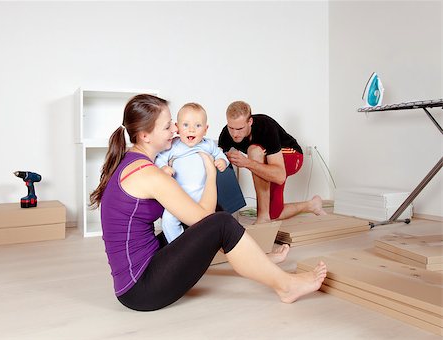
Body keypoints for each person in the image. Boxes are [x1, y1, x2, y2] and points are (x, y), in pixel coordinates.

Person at [90, 94, 327, 311]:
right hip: (140, 288)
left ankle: (259, 261)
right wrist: (211, 174)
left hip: (141, 271)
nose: (175, 129)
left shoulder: (134, 161)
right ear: (145, 136)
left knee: (208, 220)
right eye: (167, 126)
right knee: (221, 222)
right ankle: (286, 286)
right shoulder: (149, 174)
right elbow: (203, 218)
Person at [218, 100, 327, 224]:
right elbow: (217, 156)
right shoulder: (226, 133)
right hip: (268, 161)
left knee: (254, 151)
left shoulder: (265, 126)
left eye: (239, 128)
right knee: (275, 214)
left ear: (250, 122)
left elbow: (280, 176)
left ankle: (262, 217)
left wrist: (246, 163)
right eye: (231, 128)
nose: (235, 134)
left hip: (292, 156)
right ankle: (312, 205)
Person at [155, 102, 229, 243]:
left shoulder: (208, 145)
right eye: (186, 125)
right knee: (168, 221)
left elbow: (221, 155)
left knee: (210, 221)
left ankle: (202, 244)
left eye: (198, 126)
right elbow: (159, 159)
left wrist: (222, 161)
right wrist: (164, 168)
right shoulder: (174, 146)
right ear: (177, 127)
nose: (191, 130)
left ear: (206, 129)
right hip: (179, 196)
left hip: (202, 194)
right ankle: (179, 244)